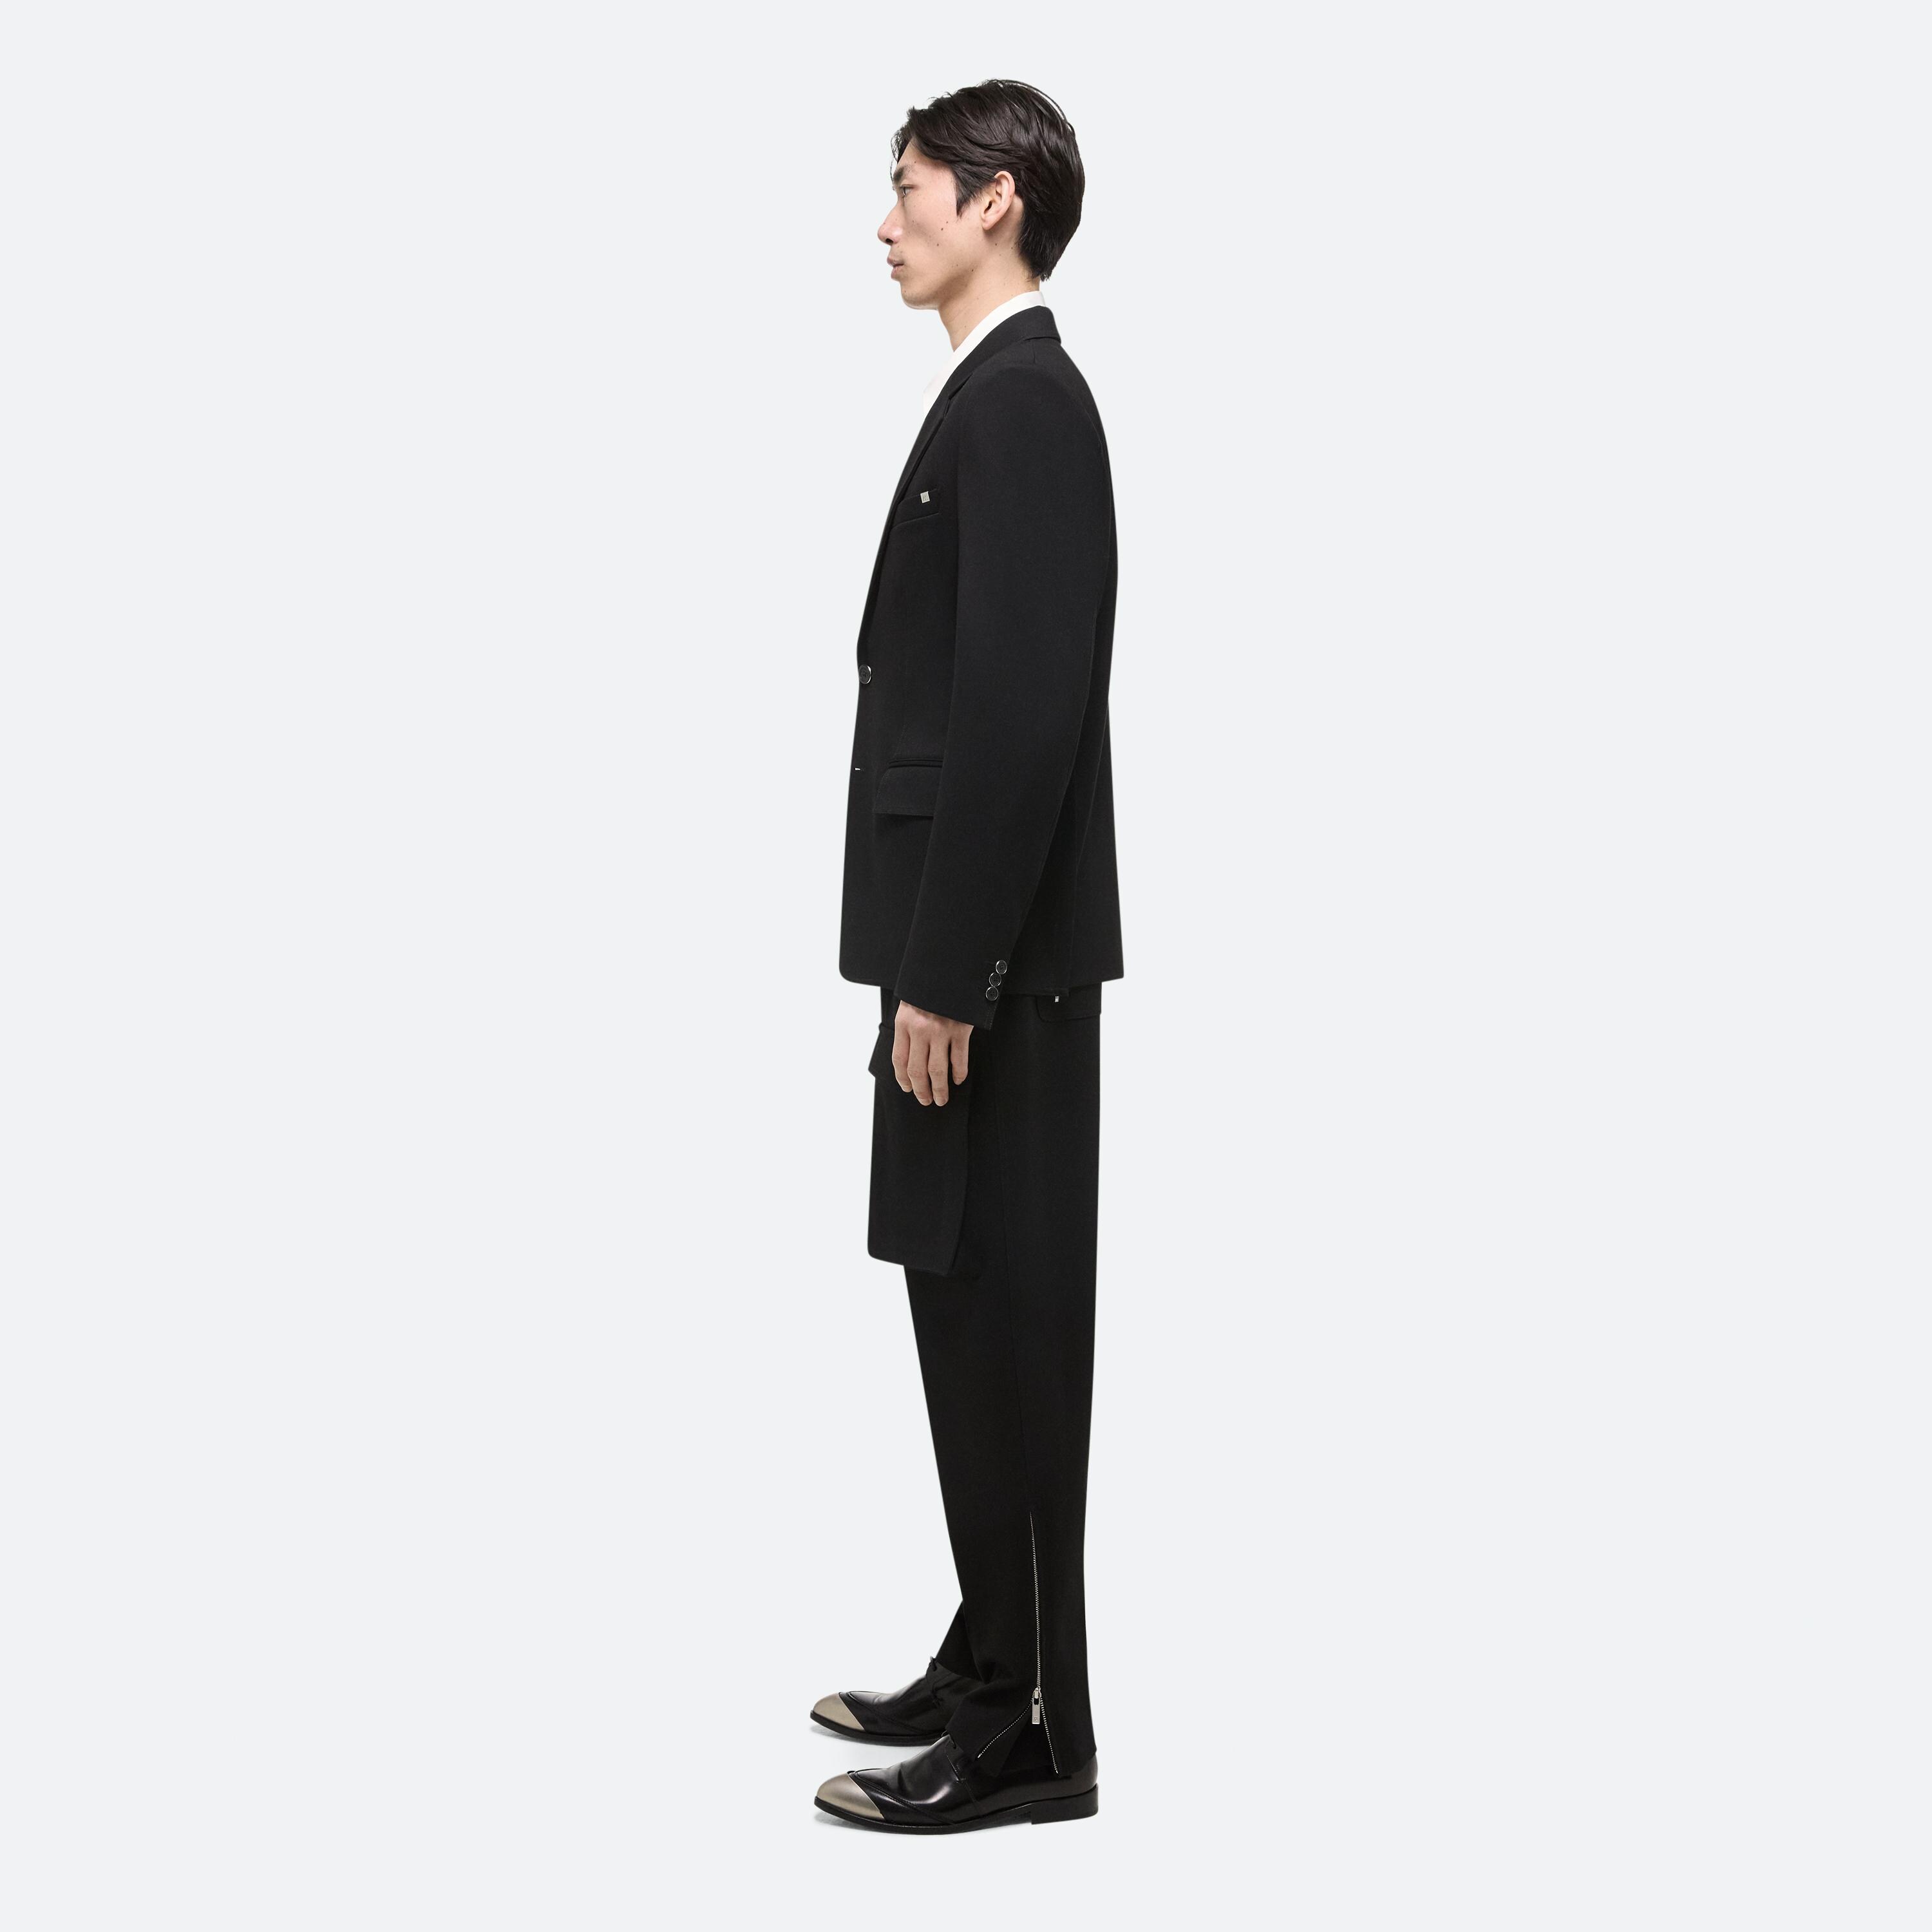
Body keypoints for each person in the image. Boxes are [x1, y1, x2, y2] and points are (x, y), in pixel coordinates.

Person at [812, 79, 1123, 1834]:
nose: (887, 221)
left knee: (1014, 1324)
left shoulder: (1029, 403)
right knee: (954, 1297)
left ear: (994, 199)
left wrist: (952, 975)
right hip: (957, 955)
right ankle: (988, 1649)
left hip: (992, 971)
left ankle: (1036, 1729)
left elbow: (1021, 712)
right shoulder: (989, 397)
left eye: (911, 186)